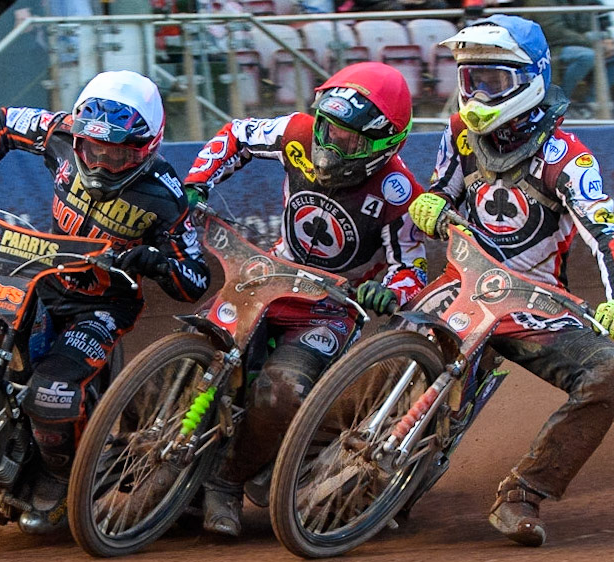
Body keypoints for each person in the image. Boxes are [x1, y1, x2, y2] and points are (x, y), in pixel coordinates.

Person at [0, 70, 210, 534]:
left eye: (119, 153)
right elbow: (1, 123)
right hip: (39, 275)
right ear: (78, 135)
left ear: (147, 148)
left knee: (51, 395)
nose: (102, 162)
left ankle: (60, 479)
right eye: (93, 149)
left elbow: (195, 280)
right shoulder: (60, 132)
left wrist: (157, 262)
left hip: (102, 304)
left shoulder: (166, 194)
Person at [408, 15, 614, 546]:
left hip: (532, 305)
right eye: (472, 80)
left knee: (611, 377)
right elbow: (442, 189)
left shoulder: (568, 158)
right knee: (390, 349)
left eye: (495, 81)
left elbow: (608, 231)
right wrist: (432, 201)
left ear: (531, 79)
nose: (480, 94)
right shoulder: (458, 132)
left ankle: (524, 493)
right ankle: (318, 449)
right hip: (462, 285)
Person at [183, 62, 429, 537]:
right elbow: (235, 135)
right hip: (273, 275)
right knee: (199, 349)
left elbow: (412, 268)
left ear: (383, 144)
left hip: (331, 309)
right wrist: (197, 183)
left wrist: (388, 291)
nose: (330, 144)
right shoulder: (296, 132)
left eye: (348, 139)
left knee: (281, 391)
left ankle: (225, 483)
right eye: (327, 128)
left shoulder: (398, 192)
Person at [524, 0, 614, 117]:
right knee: (587, 56)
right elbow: (555, 32)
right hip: (550, 47)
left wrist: (606, 39)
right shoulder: (542, 2)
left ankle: (592, 101)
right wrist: (594, 42)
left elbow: (595, 24)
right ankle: (559, 104)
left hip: (582, 42)